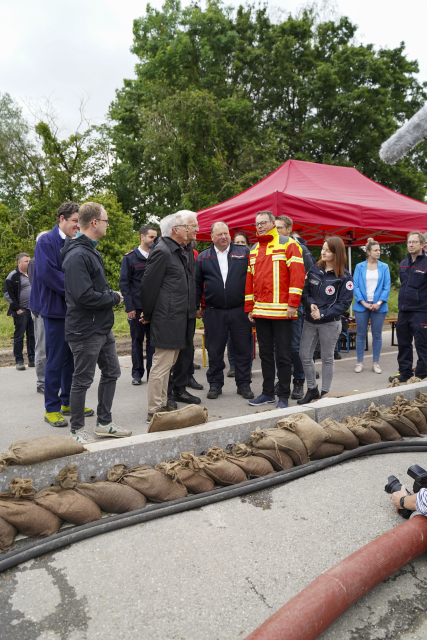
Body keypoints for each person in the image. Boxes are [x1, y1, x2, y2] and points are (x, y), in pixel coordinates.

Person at [61, 202, 131, 443]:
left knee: (112, 372)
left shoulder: (91, 250)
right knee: (82, 380)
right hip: (85, 329)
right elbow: (83, 296)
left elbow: (94, 288)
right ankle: (77, 430)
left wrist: (109, 293)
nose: (107, 225)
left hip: (101, 326)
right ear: (94, 223)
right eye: (106, 221)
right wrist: (113, 297)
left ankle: (104, 423)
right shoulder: (77, 254)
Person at [28, 202, 92, 427]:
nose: (78, 225)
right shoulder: (46, 240)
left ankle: (67, 401)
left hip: (74, 310)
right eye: (74, 221)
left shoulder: (76, 242)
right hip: (55, 310)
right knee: (54, 359)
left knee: (71, 358)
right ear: (61, 219)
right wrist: (78, 288)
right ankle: (51, 408)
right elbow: (47, 273)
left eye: (79, 221)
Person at [245, 211, 305, 409]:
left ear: (272, 223)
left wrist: (293, 304)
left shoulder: (288, 244)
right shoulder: (254, 250)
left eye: (263, 223)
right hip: (261, 311)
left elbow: (297, 275)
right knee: (265, 355)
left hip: (282, 312)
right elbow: (250, 281)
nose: (260, 226)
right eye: (257, 224)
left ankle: (284, 397)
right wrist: (250, 307)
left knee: (284, 355)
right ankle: (267, 393)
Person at [140, 212, 190, 423]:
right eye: (185, 227)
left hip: (175, 316)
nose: (189, 230)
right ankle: (154, 409)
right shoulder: (162, 250)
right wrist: (148, 313)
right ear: (175, 230)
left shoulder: (175, 250)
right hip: (166, 316)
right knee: (161, 364)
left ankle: (161, 402)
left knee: (169, 362)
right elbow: (148, 285)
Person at [196, 222, 254, 400]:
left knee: (243, 350)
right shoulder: (203, 257)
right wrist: (197, 306)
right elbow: (197, 284)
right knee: (214, 350)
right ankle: (215, 385)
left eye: (226, 234)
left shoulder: (244, 253)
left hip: (240, 311)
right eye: (219, 234)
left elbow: (255, 279)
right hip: (214, 312)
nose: (223, 237)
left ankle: (243, 384)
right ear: (212, 237)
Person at [298, 236, 353, 404]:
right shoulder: (314, 269)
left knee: (327, 358)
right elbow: (305, 292)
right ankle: (312, 389)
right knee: (304, 355)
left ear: (337, 253)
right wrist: (312, 304)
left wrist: (322, 313)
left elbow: (344, 303)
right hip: (310, 320)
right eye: (323, 249)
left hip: (330, 323)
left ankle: (325, 393)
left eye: (328, 250)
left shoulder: (344, 276)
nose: (323, 252)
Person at [275, 216, 317, 400]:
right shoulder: (271, 248)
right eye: (273, 227)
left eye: (279, 228)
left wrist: (302, 304)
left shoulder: (301, 249)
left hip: (295, 306)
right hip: (274, 307)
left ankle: (299, 382)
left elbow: (309, 279)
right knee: (279, 347)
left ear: (289, 229)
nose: (275, 231)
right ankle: (282, 381)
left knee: (295, 346)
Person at [169, 212, 203, 405]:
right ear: (183, 227)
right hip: (173, 312)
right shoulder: (165, 248)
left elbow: (194, 281)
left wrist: (195, 306)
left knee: (187, 352)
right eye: (193, 226)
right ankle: (165, 394)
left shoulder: (189, 250)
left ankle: (180, 389)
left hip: (189, 310)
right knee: (170, 355)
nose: (197, 229)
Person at [119, 224, 158, 386]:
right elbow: (124, 284)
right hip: (136, 308)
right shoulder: (129, 258)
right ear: (142, 237)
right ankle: (137, 373)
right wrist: (130, 308)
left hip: (155, 308)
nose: (154, 240)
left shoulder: (158, 256)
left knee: (153, 342)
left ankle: (152, 373)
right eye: (151, 237)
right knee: (136, 341)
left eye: (156, 237)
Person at [389, 231, 427, 383]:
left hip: (421, 311)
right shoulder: (404, 263)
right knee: (403, 343)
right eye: (409, 242)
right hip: (404, 310)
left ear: (422, 244)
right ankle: (405, 372)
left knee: (422, 344)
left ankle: (422, 374)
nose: (411, 245)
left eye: (414, 242)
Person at [353, 238, 391, 374]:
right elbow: (355, 286)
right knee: (361, 334)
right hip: (361, 306)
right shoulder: (359, 266)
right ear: (368, 252)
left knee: (377, 335)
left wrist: (379, 303)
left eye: (379, 250)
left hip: (379, 306)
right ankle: (360, 362)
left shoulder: (384, 267)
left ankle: (376, 363)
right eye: (375, 250)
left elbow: (387, 287)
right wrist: (363, 302)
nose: (378, 252)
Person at [226, 231, 252, 377]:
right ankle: (233, 365)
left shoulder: (250, 258)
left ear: (247, 245)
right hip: (231, 304)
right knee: (231, 337)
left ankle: (246, 366)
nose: (240, 246)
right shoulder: (229, 260)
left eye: (243, 243)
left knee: (246, 337)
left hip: (246, 304)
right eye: (237, 243)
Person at [4, 252, 35, 371]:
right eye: (26, 261)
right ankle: (19, 361)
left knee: (32, 336)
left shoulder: (33, 273)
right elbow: (8, 294)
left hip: (33, 310)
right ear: (19, 262)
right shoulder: (13, 276)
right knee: (19, 336)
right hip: (21, 311)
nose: (29, 263)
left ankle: (32, 359)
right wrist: (17, 309)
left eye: (29, 261)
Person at [28, 231, 49, 393]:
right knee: (42, 347)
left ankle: (52, 380)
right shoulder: (35, 262)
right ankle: (41, 382)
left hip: (49, 309)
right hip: (41, 310)